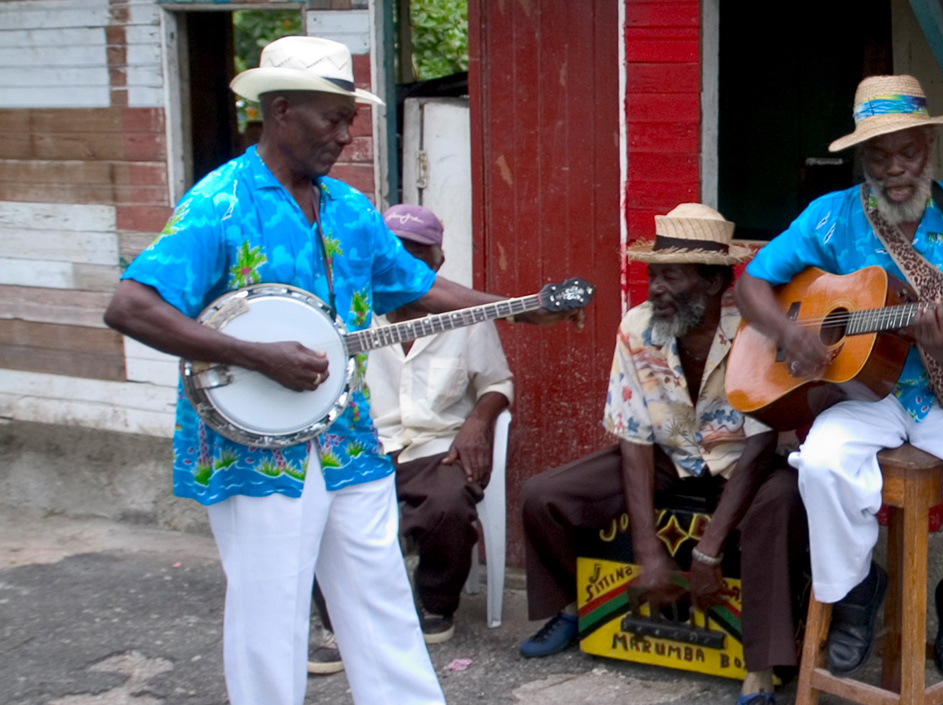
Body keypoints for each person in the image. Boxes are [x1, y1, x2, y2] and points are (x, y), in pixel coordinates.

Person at [101, 37, 575, 705]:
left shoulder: (348, 209)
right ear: (282, 109)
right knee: (272, 611)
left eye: (350, 118)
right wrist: (258, 355)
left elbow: (412, 289)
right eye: (333, 117)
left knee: (379, 592)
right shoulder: (221, 203)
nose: (347, 134)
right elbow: (131, 305)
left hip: (346, 433)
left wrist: (517, 310)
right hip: (255, 441)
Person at [735, 74, 943, 684]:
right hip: (866, 393)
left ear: (929, 148)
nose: (895, 167)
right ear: (862, 158)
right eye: (879, 155)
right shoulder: (830, 219)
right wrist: (790, 333)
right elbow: (751, 284)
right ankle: (856, 590)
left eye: (908, 151)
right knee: (820, 465)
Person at [515, 204, 808, 705]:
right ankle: (575, 607)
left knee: (778, 505)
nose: (655, 290)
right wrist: (648, 553)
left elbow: (760, 446)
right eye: (653, 276)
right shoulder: (638, 326)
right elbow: (633, 438)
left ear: (713, 283)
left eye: (670, 277)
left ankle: (759, 665)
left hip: (746, 464)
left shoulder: (756, 328)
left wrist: (707, 551)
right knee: (544, 496)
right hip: (672, 459)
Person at [306, 204, 515, 675]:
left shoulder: (465, 316)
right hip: (366, 444)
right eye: (395, 254)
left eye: (419, 257)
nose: (406, 266)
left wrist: (479, 421)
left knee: (446, 505)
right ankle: (339, 621)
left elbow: (498, 384)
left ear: (438, 265)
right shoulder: (349, 315)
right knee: (323, 506)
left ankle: (434, 602)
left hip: (436, 447)